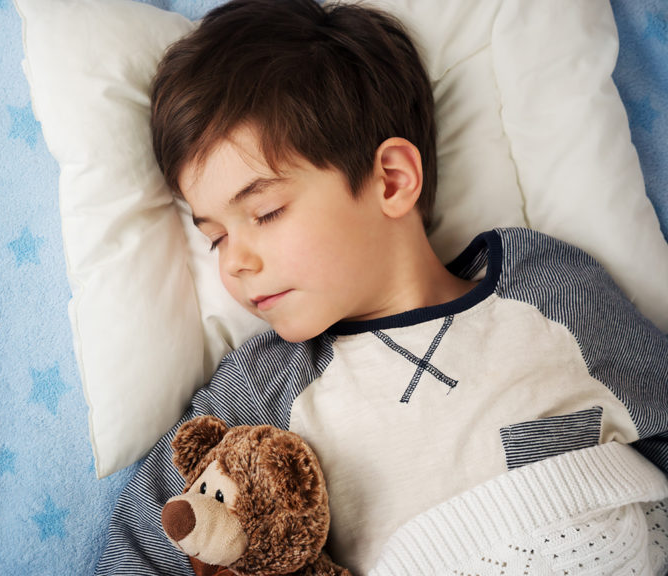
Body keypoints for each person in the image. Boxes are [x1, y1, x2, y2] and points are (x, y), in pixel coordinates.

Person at [96, 0, 668, 574]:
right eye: (216, 237)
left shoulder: (545, 289)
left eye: (265, 212)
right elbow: (152, 536)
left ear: (391, 181)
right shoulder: (266, 386)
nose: (235, 264)